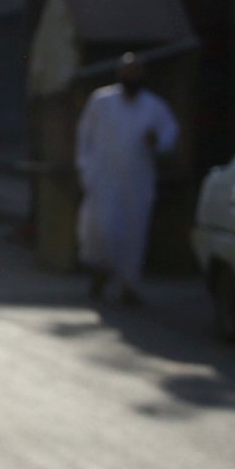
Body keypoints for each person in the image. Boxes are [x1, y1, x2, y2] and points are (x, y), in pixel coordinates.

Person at [74, 52, 180, 306]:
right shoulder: (101, 101)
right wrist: (86, 169)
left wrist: (159, 143)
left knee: (134, 235)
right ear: (119, 74)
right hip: (103, 179)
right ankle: (101, 271)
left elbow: (170, 134)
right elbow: (84, 136)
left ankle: (128, 286)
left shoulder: (153, 106)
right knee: (103, 229)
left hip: (137, 181)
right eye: (127, 72)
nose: (131, 77)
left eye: (136, 73)